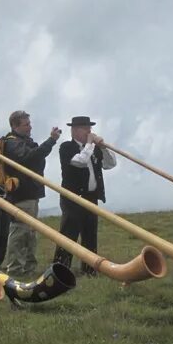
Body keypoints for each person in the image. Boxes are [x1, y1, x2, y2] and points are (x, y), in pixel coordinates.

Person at [54, 116, 116, 275]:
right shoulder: (66, 147)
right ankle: (61, 268)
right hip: (73, 197)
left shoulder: (94, 148)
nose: (89, 131)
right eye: (84, 128)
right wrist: (89, 144)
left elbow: (110, 164)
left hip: (91, 197)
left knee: (90, 233)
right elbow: (79, 162)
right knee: (69, 233)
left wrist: (103, 148)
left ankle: (89, 269)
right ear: (74, 131)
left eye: (89, 128)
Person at [2, 110, 61, 278]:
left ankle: (28, 269)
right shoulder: (13, 144)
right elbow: (30, 158)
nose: (30, 127)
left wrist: (48, 143)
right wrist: (51, 140)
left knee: (30, 234)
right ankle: (14, 270)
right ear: (14, 126)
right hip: (21, 195)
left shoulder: (24, 142)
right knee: (20, 233)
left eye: (29, 123)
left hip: (31, 194)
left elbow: (36, 156)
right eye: (26, 124)